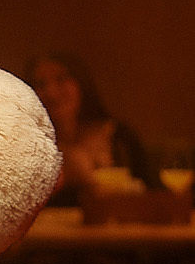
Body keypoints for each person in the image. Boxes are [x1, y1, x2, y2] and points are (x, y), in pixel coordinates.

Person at [28, 50, 153, 205]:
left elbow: (154, 192)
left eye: (61, 79)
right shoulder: (31, 144)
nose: (51, 92)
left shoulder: (119, 136)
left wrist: (93, 181)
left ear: (82, 83)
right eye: (41, 84)